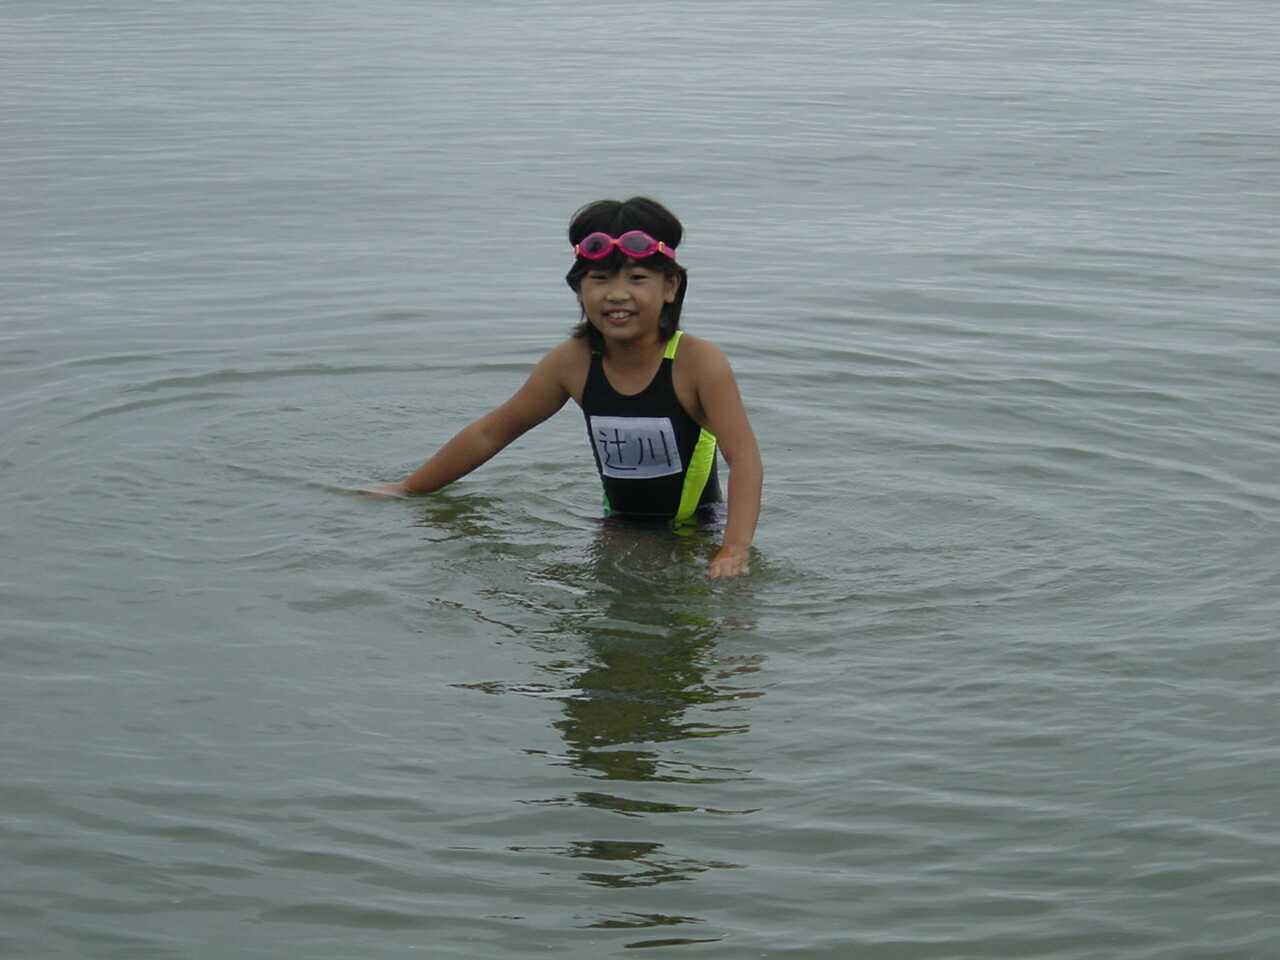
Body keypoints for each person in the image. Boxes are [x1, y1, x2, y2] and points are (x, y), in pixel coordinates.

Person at [368, 197, 762, 579]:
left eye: (637, 278)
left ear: (670, 286)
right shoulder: (572, 362)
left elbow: (743, 458)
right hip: (615, 530)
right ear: (578, 289)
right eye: (600, 279)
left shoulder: (697, 363)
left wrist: (733, 548)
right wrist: (407, 489)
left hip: (696, 537)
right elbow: (491, 433)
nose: (617, 293)